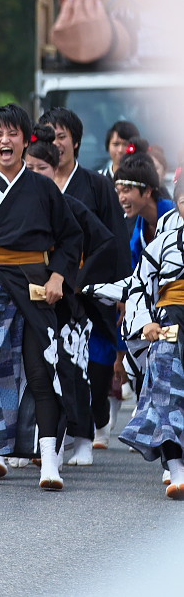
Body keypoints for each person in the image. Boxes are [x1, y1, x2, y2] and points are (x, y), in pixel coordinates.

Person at [0, 104, 83, 489]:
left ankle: (49, 462)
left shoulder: (42, 186)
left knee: (42, 372)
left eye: (12, 134)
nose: (5, 141)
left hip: (36, 286)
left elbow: (71, 236)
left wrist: (58, 275)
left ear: (25, 140)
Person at [38, 107, 133, 450]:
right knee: (52, 363)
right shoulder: (34, 180)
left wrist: (123, 292)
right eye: (49, 136)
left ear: (75, 141)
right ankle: (58, 436)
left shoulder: (96, 184)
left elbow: (116, 239)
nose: (56, 143)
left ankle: (96, 420)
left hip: (90, 286)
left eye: (62, 136)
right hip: (45, 285)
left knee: (95, 367)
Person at [85, 182, 184, 498]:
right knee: (166, 395)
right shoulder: (163, 243)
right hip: (169, 325)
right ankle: (177, 469)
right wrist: (146, 323)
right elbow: (140, 286)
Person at [25, 125, 116, 467]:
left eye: (42, 169)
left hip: (69, 302)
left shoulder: (70, 205)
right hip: (30, 299)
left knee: (72, 371)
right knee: (35, 372)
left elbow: (104, 241)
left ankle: (84, 438)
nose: (35, 175)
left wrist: (75, 280)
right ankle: (44, 443)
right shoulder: (18, 208)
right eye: (29, 169)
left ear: (55, 170)